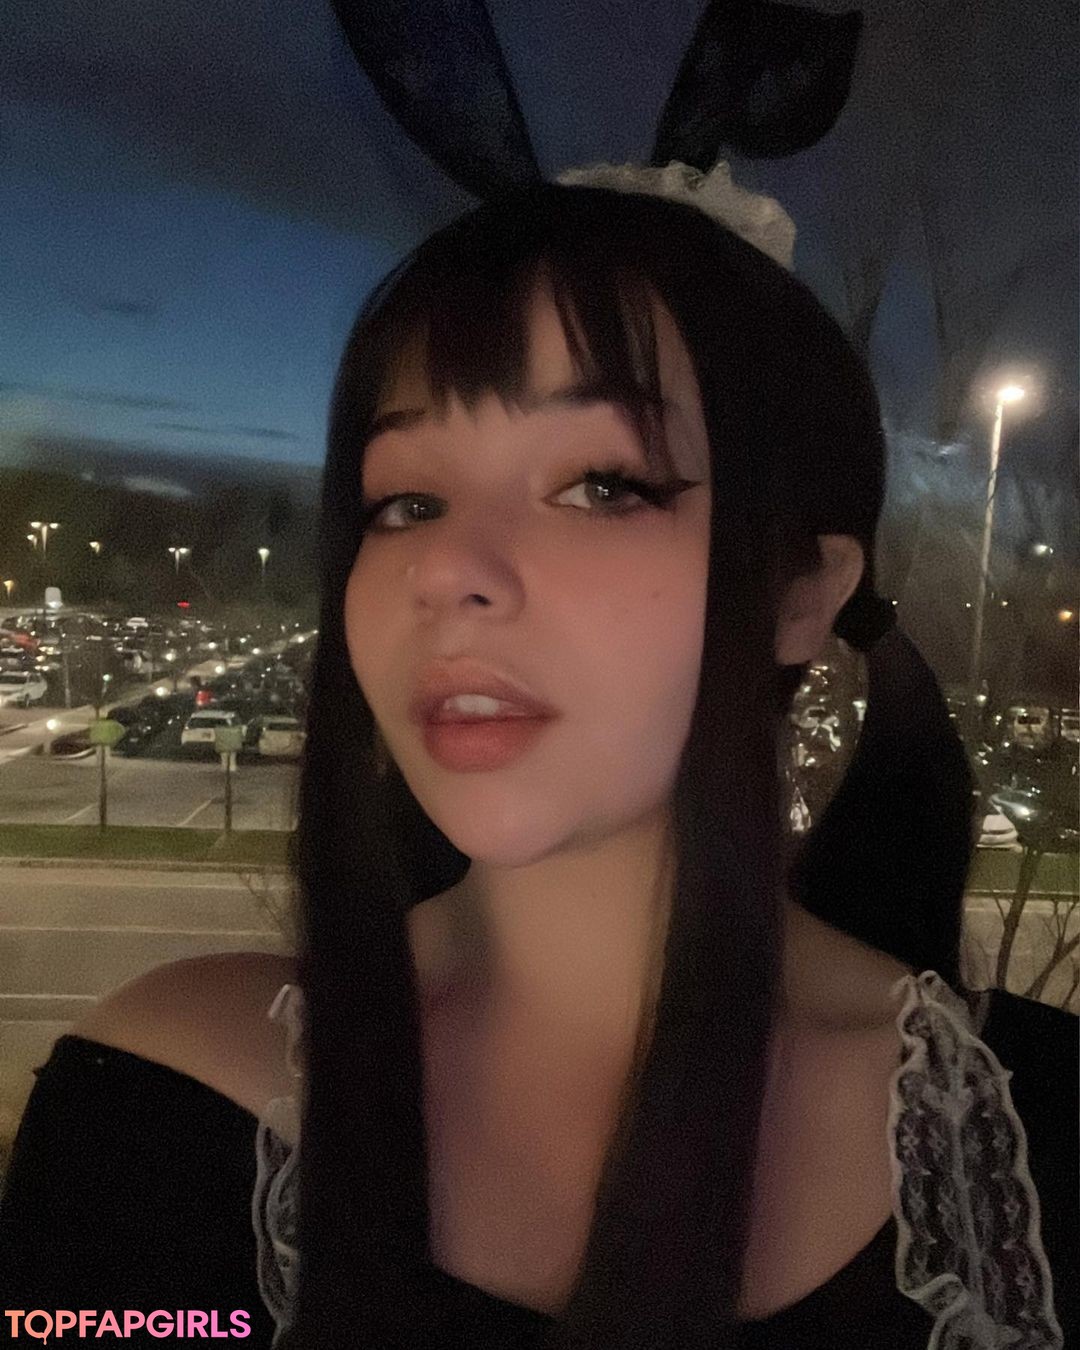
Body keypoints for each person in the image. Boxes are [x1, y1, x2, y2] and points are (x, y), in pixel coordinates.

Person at [0, 184, 1075, 1350]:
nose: (446, 568)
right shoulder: (159, 1106)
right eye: (405, 501)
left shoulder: (1037, 1135)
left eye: (602, 485)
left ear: (801, 593)